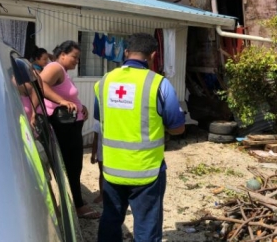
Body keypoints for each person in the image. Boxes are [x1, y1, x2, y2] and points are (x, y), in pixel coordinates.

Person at [94, 33, 185, 242]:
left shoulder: (104, 82)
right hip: (147, 172)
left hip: (112, 170)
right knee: (146, 228)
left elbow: (101, 119)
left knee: (110, 220)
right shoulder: (159, 84)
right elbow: (177, 128)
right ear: (152, 55)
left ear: (126, 53)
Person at [38, 40, 100, 219]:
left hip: (72, 126)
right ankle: (79, 207)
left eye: (78, 58)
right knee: (72, 166)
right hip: (65, 128)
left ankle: (75, 200)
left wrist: (81, 107)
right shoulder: (55, 67)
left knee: (74, 166)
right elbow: (40, 85)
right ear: (62, 54)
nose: (77, 61)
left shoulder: (62, 71)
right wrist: (62, 101)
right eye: (74, 57)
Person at [90, 118, 103, 203]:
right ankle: (102, 195)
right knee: (102, 173)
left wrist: (93, 154)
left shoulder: (98, 123)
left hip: (108, 153)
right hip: (102, 152)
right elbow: (95, 140)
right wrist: (93, 154)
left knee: (103, 174)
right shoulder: (98, 123)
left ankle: (102, 195)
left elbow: (95, 140)